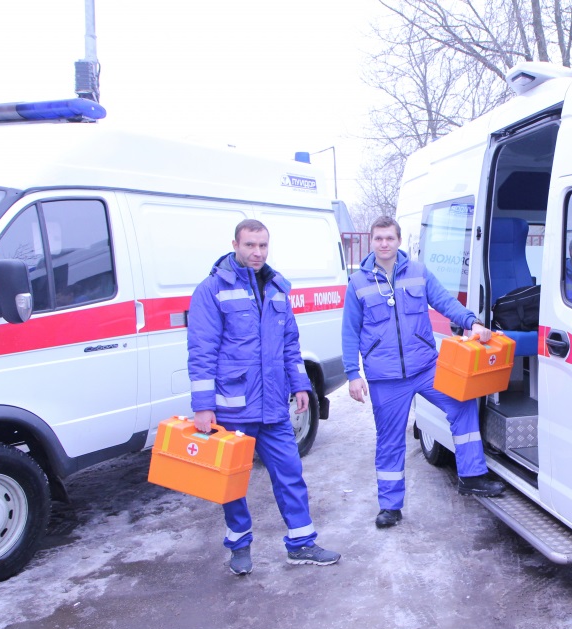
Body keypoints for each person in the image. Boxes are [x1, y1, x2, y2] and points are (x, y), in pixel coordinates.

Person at [187, 218, 341, 575]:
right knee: (232, 483)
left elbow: (290, 345)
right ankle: (240, 547)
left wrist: (300, 385)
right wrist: (203, 407)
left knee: (290, 473)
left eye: (263, 246)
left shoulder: (276, 289)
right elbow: (202, 351)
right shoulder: (212, 290)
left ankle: (301, 543)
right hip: (233, 408)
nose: (257, 252)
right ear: (235, 245)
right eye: (250, 245)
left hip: (273, 407)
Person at [342, 216, 505, 529]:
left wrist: (472, 323)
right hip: (385, 377)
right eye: (378, 239)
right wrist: (352, 374)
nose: (384, 244)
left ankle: (471, 476)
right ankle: (390, 506)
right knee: (390, 440)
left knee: (463, 404)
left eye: (389, 238)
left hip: (425, 367)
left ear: (399, 240)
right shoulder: (358, 283)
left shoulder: (417, 272)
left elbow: (445, 301)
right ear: (371, 241)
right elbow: (350, 331)